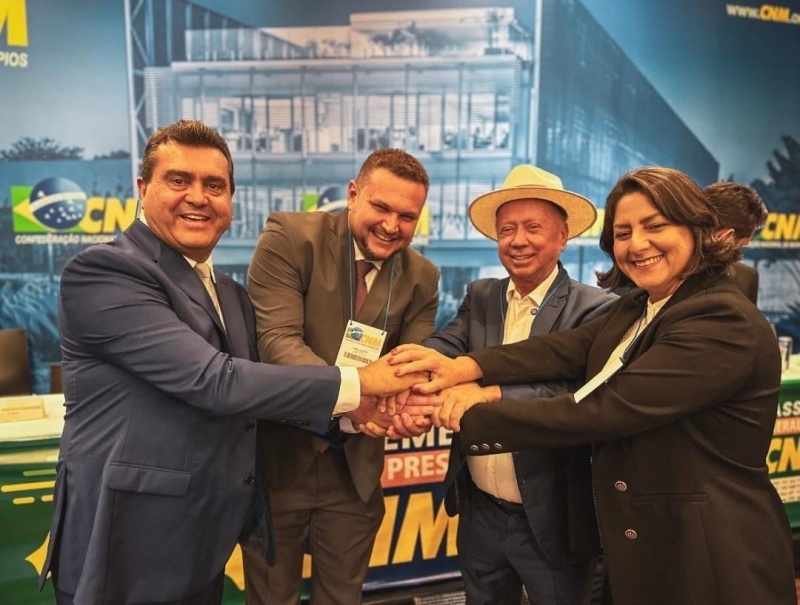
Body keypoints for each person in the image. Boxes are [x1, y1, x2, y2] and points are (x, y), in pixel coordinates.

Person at [37, 120, 420, 605]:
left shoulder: (231, 295)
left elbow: (260, 396)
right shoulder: (104, 271)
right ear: (143, 188)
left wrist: (354, 415)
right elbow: (215, 382)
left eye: (215, 185)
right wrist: (360, 383)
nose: (198, 197)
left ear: (230, 201)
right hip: (125, 545)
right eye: (179, 180)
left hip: (202, 542)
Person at [389, 167, 796, 605]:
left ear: (697, 228)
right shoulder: (642, 304)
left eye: (655, 226)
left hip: (709, 555)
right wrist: (464, 367)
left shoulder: (719, 318)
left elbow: (604, 409)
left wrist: (468, 409)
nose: (637, 244)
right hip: (648, 545)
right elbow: (565, 349)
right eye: (623, 232)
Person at [242, 148, 439, 604]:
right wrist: (356, 401)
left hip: (355, 471)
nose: (391, 225)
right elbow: (278, 343)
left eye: (407, 216)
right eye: (381, 207)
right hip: (280, 459)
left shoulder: (423, 277)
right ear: (353, 194)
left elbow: (410, 367)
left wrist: (408, 406)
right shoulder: (290, 237)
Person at [420, 165, 616, 605]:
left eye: (532, 228)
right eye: (507, 229)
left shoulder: (596, 308)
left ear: (563, 236)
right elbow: (446, 346)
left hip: (553, 516)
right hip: (481, 511)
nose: (518, 240)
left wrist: (488, 397)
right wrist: (412, 370)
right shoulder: (482, 295)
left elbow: (577, 394)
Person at [704, 181, 768, 304]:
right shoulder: (667, 273)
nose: (738, 254)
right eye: (739, 246)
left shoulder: (746, 277)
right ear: (724, 236)